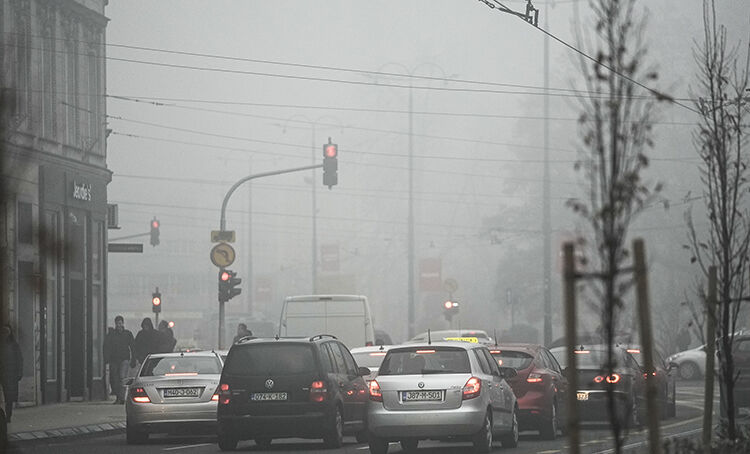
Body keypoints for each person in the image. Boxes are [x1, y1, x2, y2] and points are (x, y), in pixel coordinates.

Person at [103, 316, 134, 404]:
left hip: (124, 359)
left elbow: (132, 346)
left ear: (122, 323)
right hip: (114, 359)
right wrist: (107, 358)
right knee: (115, 379)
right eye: (117, 323)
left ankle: (121, 398)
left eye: (120, 323)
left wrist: (133, 358)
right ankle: (119, 397)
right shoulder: (112, 335)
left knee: (122, 378)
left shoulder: (127, 334)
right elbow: (107, 347)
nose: (119, 325)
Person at [1, 325, 23, 422]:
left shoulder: (14, 345)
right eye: (3, 332)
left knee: (8, 397)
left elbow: (19, 359)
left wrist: (19, 373)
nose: (5, 334)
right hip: (2, 373)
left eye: (7, 332)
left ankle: (8, 416)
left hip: (10, 375)